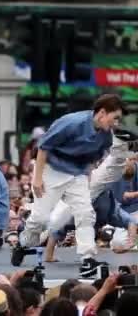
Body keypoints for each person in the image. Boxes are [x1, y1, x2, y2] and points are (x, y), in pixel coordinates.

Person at [13, 94, 128, 277]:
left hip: (78, 174)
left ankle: (87, 259)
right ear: (102, 113)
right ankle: (23, 243)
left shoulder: (107, 135)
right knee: (40, 219)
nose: (116, 123)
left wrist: (88, 175)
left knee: (85, 214)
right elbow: (43, 148)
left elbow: (95, 156)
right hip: (52, 171)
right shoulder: (71, 123)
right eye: (115, 118)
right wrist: (37, 178)